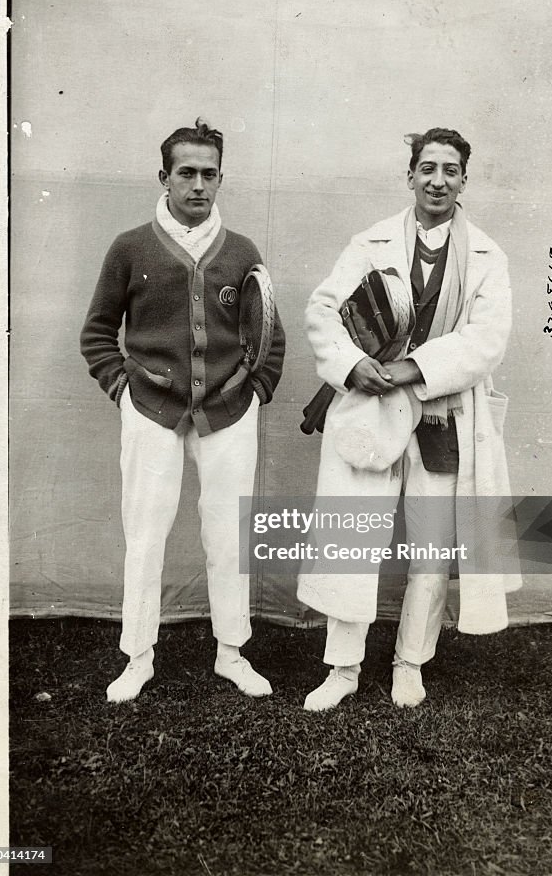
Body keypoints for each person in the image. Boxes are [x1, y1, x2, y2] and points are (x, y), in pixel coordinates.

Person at [298, 127, 519, 712]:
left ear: (464, 180)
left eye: (450, 170)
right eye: (427, 168)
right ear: (410, 175)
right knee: (352, 539)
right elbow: (323, 310)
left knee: (431, 547)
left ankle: (409, 663)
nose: (437, 180)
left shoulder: (488, 257)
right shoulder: (369, 242)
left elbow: (487, 341)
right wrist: (352, 364)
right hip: (371, 406)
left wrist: (411, 369)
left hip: (444, 414)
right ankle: (343, 667)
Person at [81, 118, 285, 703]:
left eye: (209, 174)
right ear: (164, 176)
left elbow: (269, 329)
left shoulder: (241, 250)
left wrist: (257, 389)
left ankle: (232, 652)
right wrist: (122, 386)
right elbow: (97, 331)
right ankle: (138, 654)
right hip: (150, 409)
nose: (198, 185)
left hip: (227, 410)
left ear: (222, 177)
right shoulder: (131, 247)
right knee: (145, 531)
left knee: (228, 533)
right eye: (186, 173)